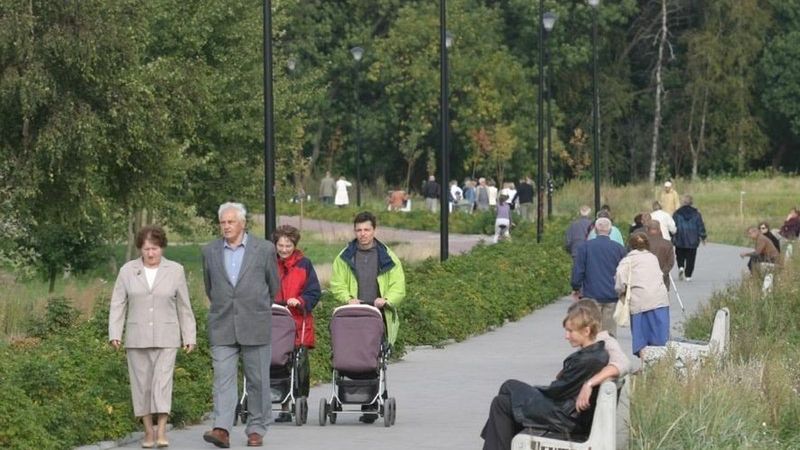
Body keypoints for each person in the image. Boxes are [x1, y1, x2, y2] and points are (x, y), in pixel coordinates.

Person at [480, 300, 630, 450]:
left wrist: (585, 384)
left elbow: (556, 391)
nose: (566, 336)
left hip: (567, 418)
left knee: (503, 400)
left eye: (570, 331)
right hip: (569, 413)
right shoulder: (596, 352)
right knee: (507, 395)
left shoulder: (590, 358)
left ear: (586, 331)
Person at [109, 225, 196, 449]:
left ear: (162, 247)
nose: (150, 253)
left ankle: (162, 430)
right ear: (140, 248)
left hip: (167, 337)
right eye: (146, 249)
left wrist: (189, 336)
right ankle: (148, 431)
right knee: (142, 386)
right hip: (137, 338)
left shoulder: (175, 270)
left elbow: (184, 306)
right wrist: (115, 333)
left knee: (162, 383)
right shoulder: (127, 271)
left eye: (155, 248)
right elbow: (118, 303)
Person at [202, 202, 280, 448]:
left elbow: (273, 286)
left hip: (255, 322)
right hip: (222, 323)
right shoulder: (209, 251)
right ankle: (222, 428)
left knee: (258, 380)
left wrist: (256, 305)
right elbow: (210, 287)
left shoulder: (264, 249)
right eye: (223, 222)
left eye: (231, 222)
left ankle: (256, 428)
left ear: (243, 223)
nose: (226, 226)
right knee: (222, 379)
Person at [329, 211, 406, 423]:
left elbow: (398, 285)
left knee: (372, 356)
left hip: (376, 315)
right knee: (350, 354)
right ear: (354, 231)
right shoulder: (344, 257)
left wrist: (387, 299)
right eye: (359, 230)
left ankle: (371, 402)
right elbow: (337, 283)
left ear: (374, 230)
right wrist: (347, 298)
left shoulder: (387, 257)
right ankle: (352, 395)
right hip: (352, 315)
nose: (362, 234)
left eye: (367, 230)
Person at [271, 225, 321, 422]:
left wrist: (300, 301)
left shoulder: (304, 264)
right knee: (276, 364)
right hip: (273, 322)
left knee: (299, 366)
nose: (284, 249)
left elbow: (313, 292)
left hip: (298, 323)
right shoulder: (269, 263)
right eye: (280, 245)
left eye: (288, 246)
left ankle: (300, 400)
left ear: (295, 245)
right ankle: (283, 405)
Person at [615, 233, 670, 359]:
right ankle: (660, 363)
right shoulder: (653, 258)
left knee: (642, 337)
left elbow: (620, 279)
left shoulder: (628, 260)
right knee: (660, 337)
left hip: (640, 302)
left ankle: (645, 364)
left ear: (631, 245)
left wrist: (621, 292)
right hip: (660, 300)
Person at [571, 217, 627, 336]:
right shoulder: (619, 249)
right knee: (609, 331)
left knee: (592, 330)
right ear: (610, 231)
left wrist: (576, 287)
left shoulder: (585, 247)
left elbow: (579, 270)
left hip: (591, 294)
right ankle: (608, 346)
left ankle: (594, 346)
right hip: (612, 294)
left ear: (595, 230)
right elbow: (624, 272)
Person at [672, 194, 707, 282]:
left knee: (679, 255)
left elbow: (673, 226)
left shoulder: (677, 213)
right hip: (693, 239)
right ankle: (688, 275)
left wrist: (671, 237)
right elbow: (700, 226)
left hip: (680, 238)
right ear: (691, 203)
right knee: (691, 258)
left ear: (683, 202)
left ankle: (681, 267)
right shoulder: (696, 214)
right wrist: (703, 236)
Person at [645, 219, 676, 291]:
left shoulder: (644, 244)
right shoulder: (667, 244)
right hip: (663, 279)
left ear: (647, 230)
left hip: (646, 279)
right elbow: (670, 262)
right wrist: (663, 273)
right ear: (659, 229)